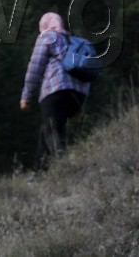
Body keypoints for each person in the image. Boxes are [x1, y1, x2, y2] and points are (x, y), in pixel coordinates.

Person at [19, 12, 91, 170]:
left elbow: (35, 67)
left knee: (52, 130)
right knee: (47, 128)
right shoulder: (75, 42)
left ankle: (66, 168)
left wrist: (26, 95)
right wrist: (81, 103)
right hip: (78, 95)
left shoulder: (47, 36)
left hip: (55, 91)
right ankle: (38, 173)